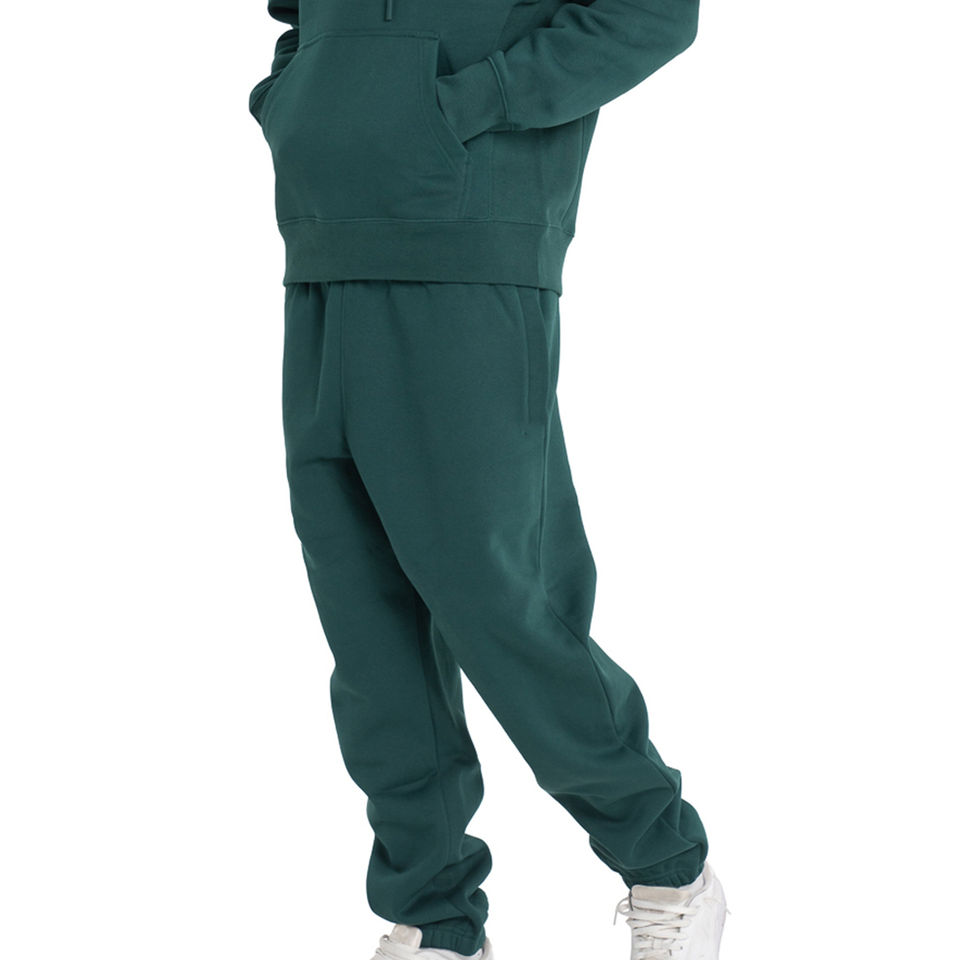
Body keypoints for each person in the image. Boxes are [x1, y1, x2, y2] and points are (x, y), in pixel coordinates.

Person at [248, 0, 728, 957]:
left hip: (468, 240)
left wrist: (471, 101)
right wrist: (303, 102)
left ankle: (667, 865)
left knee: (500, 596)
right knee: (365, 615)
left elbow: (653, 13)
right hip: (323, 240)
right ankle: (434, 918)